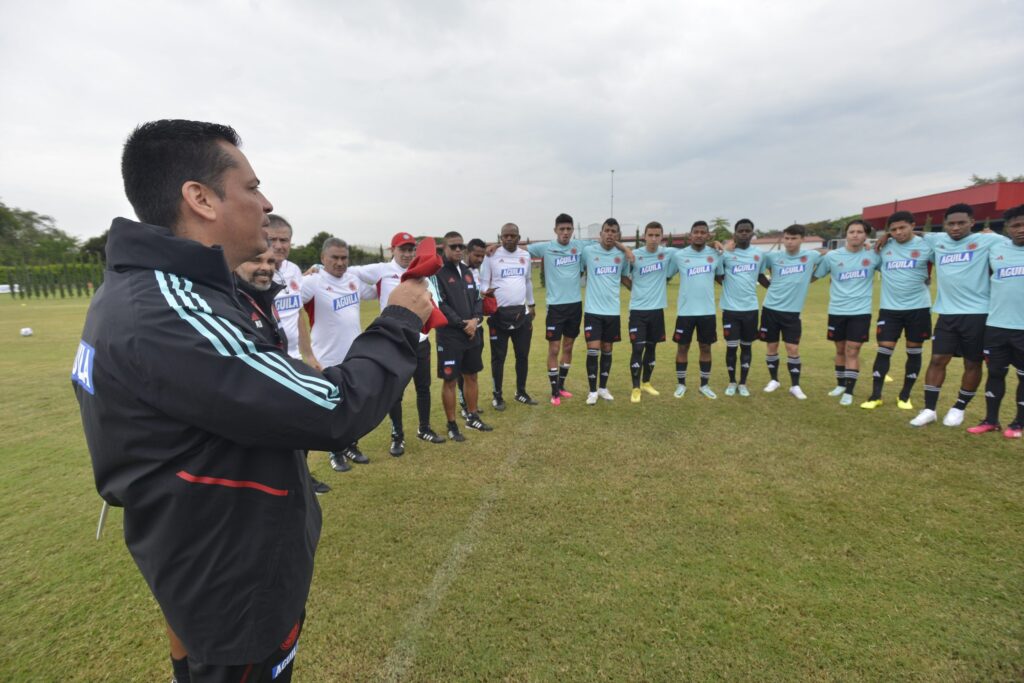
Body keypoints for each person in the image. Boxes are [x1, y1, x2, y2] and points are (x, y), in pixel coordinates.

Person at [71, 119, 431, 681]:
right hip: (231, 577)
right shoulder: (169, 310)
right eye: (252, 187)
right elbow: (333, 408)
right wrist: (401, 320)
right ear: (200, 198)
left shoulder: (157, 291)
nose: (267, 204)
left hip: (203, 559)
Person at [907, 203, 1009, 427]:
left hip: (978, 314)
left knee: (972, 363)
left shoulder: (989, 240)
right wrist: (886, 236)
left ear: (972, 223)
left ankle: (959, 408)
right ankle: (929, 410)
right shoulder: (937, 240)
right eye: (951, 223)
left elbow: (1013, 244)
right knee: (937, 360)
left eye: (961, 223)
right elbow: (914, 233)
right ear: (944, 225)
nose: (956, 228)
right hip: (946, 313)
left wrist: (995, 232)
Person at [350, 232, 447, 456]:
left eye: (411, 249)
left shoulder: (422, 273)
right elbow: (350, 272)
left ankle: (424, 428)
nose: (407, 254)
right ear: (392, 250)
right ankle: (397, 436)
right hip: (395, 342)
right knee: (395, 393)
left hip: (421, 341)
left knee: (423, 387)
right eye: (402, 249)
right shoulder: (382, 270)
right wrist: (317, 267)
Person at [301, 237, 379, 471]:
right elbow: (286, 298)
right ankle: (334, 452)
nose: (339, 262)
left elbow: (376, 292)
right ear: (323, 258)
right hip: (326, 357)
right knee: (332, 407)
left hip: (354, 355)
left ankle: (350, 445)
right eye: (334, 257)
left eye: (344, 258)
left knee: (353, 406)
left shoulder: (353, 279)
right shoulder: (313, 282)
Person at [860, 211, 933, 410]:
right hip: (890, 309)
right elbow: (864, 259)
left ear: (912, 225)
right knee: (883, 351)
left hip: (918, 308)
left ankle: (905, 395)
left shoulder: (926, 245)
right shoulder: (883, 248)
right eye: (893, 230)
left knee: (914, 352)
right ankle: (875, 396)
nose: (898, 232)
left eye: (902, 228)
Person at [967, 204, 1024, 436]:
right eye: (1016, 225)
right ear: (1007, 229)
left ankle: (1019, 423)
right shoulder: (996, 248)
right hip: (996, 325)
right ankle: (991, 420)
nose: (1021, 230)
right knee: (995, 374)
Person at [812, 220, 881, 406]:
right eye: (852, 231)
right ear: (846, 235)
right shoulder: (833, 256)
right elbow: (815, 276)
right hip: (837, 310)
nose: (856, 235)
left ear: (866, 235)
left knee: (853, 349)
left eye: (860, 231)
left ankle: (849, 391)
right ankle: (841, 384)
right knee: (840, 349)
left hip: (860, 311)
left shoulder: (874, 256)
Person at [433, 231, 492, 440]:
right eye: (453, 246)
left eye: (461, 246)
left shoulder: (467, 271)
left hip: (471, 333)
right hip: (450, 337)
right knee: (450, 380)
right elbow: (440, 304)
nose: (458, 249)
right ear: (444, 248)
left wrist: (475, 320)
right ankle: (451, 424)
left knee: (472, 376)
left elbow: (477, 298)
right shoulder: (437, 273)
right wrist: (462, 324)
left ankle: (472, 416)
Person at [526, 213, 586, 405]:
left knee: (568, 346)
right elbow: (519, 250)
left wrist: (624, 250)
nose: (565, 233)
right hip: (555, 307)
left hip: (575, 305)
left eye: (569, 229)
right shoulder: (546, 247)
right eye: (562, 229)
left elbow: (604, 244)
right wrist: (496, 248)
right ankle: (554, 392)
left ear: (572, 231)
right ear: (555, 230)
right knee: (554, 347)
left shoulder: (580, 246)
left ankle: (561, 386)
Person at [758, 224, 823, 400]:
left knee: (792, 348)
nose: (789, 242)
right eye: (786, 238)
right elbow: (758, 271)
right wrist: (770, 287)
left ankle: (795, 385)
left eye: (794, 238)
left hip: (792, 312)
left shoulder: (811, 256)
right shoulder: (772, 256)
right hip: (770, 308)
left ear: (802, 239)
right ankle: (774, 380)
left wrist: (807, 281)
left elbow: (828, 257)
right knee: (771, 346)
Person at [480, 222, 537, 409]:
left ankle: (521, 392)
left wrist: (532, 304)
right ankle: (497, 396)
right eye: (506, 236)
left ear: (519, 237)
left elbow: (527, 281)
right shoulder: (491, 255)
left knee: (522, 356)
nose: (509, 238)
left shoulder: (525, 255)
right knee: (499, 358)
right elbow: (483, 283)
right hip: (499, 315)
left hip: (521, 314)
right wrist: (488, 296)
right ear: (500, 237)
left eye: (513, 235)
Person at [666, 221, 722, 399]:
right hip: (685, 312)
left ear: (708, 235)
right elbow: (666, 276)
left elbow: (722, 278)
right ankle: (681, 385)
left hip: (707, 312)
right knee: (683, 347)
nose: (699, 235)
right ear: (690, 235)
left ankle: (704, 385)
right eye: (696, 232)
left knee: (705, 347)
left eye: (702, 232)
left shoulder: (715, 254)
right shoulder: (679, 256)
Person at [717, 219, 770, 397]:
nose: (744, 233)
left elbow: (761, 277)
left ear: (752, 233)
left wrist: (775, 289)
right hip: (730, 310)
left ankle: (743, 383)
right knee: (731, 348)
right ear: (735, 233)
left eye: (748, 231)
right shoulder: (725, 254)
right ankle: (732, 382)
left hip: (751, 310)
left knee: (746, 347)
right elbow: (718, 275)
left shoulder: (759, 255)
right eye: (741, 231)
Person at [582, 219, 632, 405]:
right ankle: (592, 391)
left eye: (614, 231)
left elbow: (625, 279)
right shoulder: (588, 251)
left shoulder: (621, 256)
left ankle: (603, 388)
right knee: (593, 350)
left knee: (607, 350)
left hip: (612, 312)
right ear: (600, 233)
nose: (610, 234)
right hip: (592, 311)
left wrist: (640, 292)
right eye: (607, 231)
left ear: (618, 235)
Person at [624, 221, 672, 402]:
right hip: (637, 311)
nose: (653, 239)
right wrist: (635, 289)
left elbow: (693, 249)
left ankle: (646, 382)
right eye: (650, 235)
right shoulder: (634, 255)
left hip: (657, 311)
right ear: (644, 236)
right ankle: (635, 387)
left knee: (652, 347)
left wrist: (716, 245)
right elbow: (624, 276)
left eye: (657, 235)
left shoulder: (667, 254)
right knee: (638, 348)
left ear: (661, 237)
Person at [266, 214, 315, 364]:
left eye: (284, 240)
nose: (279, 246)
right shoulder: (251, 273)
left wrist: (309, 356)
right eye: (272, 240)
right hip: (270, 360)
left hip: (295, 358)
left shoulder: (294, 270)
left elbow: (298, 314)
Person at [458, 238, 487, 417]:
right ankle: (464, 405)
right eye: (476, 255)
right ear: (467, 252)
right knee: (461, 371)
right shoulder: (457, 271)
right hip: (462, 328)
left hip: (478, 326)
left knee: (472, 370)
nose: (480, 259)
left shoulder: (476, 271)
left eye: (482, 256)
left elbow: (476, 296)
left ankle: (471, 405)